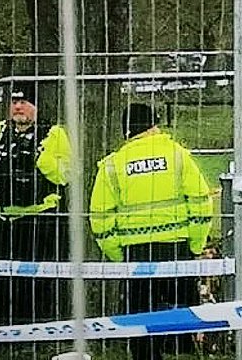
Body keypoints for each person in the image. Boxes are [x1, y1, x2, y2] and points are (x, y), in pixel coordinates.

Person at [90, 103, 214, 360]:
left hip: (135, 254)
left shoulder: (113, 164)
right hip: (176, 247)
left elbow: (100, 217)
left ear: (126, 131)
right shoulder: (177, 154)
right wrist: (195, 243)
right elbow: (201, 201)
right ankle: (183, 352)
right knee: (183, 318)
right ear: (154, 125)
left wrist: (116, 255)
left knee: (141, 319)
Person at [0, 82, 71, 328]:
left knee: (35, 280)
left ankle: (37, 330)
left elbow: (65, 176)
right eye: (14, 102)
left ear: (35, 107)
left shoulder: (53, 133)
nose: (18, 107)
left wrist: (41, 157)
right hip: (2, 221)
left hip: (38, 221)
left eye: (24, 102)